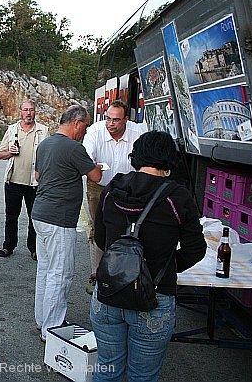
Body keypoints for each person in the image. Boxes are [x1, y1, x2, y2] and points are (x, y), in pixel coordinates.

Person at [90, 130, 206, 382]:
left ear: (137, 155)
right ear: (169, 159)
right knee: (143, 376)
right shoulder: (178, 197)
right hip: (154, 296)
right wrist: (165, 266)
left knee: (107, 368)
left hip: (109, 293)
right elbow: (196, 250)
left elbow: (100, 239)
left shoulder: (112, 189)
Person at [31, 105, 102, 342]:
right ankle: (51, 327)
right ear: (77, 123)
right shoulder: (74, 148)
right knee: (60, 274)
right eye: (86, 125)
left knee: (45, 269)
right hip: (59, 218)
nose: (86, 130)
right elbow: (96, 177)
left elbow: (39, 176)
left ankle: (42, 319)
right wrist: (93, 165)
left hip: (40, 214)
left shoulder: (45, 144)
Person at [82, 100, 146, 294]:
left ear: (126, 120)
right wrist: (92, 166)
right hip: (99, 186)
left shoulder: (138, 133)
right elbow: (85, 155)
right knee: (98, 229)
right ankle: (96, 274)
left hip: (129, 188)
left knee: (131, 229)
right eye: (108, 118)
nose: (111, 123)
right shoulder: (95, 131)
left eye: (116, 120)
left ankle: (129, 273)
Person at [0, 100, 49, 260]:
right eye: (25, 110)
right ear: (20, 112)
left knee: (34, 217)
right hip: (13, 181)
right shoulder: (12, 130)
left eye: (31, 110)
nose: (28, 113)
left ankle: (34, 248)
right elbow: (0, 154)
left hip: (34, 183)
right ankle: (8, 246)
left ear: (35, 112)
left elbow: (48, 155)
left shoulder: (43, 131)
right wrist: (10, 153)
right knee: (11, 216)